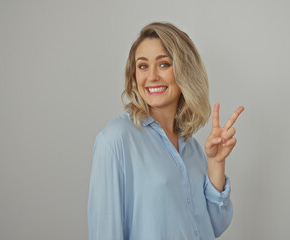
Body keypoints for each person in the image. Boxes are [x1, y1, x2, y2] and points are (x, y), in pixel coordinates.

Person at [87, 22, 244, 240]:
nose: (151, 76)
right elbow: (106, 233)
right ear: (133, 75)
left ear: (184, 71)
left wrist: (216, 163)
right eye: (142, 66)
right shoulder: (115, 141)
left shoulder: (192, 147)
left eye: (163, 64)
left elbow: (213, 225)